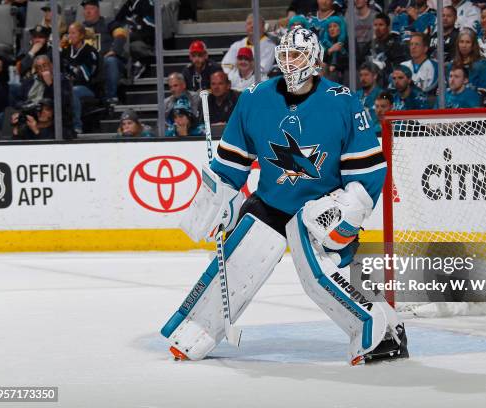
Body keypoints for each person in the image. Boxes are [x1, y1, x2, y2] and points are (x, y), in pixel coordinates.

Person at [161, 27, 408, 365]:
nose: (291, 63)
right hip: (271, 202)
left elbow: (366, 171)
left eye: (299, 56)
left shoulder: (344, 102)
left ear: (316, 60)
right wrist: (218, 202)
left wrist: (351, 209)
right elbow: (231, 164)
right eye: (286, 56)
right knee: (241, 255)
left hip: (322, 207)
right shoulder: (254, 99)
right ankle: (197, 327)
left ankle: (382, 330)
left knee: (318, 272)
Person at [81, 0, 128, 104]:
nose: (88, 12)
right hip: (90, 65)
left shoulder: (109, 23)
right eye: (86, 9)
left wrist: (114, 50)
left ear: (98, 11)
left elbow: (121, 34)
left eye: (91, 9)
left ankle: (111, 96)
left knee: (110, 61)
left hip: (107, 61)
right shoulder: (80, 28)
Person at [61, 22, 100, 134]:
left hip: (88, 87)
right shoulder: (65, 51)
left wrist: (69, 70)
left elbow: (86, 76)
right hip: (67, 85)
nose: (70, 36)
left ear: (82, 35)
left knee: (72, 91)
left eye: (73, 33)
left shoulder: (90, 52)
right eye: (69, 33)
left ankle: (77, 126)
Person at [114, 0, 156, 80]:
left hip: (146, 43)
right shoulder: (128, 4)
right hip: (128, 40)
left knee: (130, 46)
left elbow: (149, 32)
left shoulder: (147, 4)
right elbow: (116, 23)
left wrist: (130, 34)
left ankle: (139, 65)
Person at [367, 12, 408, 87]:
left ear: (388, 27)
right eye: (375, 25)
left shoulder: (396, 44)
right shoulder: (369, 45)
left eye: (381, 25)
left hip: (390, 84)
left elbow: (399, 68)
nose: (377, 28)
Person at [449, 28, 486, 95]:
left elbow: (483, 91)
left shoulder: (482, 64)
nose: (464, 45)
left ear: (473, 45)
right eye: (461, 42)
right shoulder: (452, 64)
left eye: (468, 42)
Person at [321, 15, 348, 83]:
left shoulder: (347, 41)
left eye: (335, 26)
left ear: (341, 28)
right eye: (330, 27)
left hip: (345, 72)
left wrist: (335, 66)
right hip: (330, 73)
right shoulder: (325, 43)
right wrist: (330, 50)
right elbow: (322, 59)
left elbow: (353, 59)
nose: (332, 29)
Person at [354, 0, 376, 65]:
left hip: (370, 48)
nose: (357, 0)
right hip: (355, 50)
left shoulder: (375, 15)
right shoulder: (349, 16)